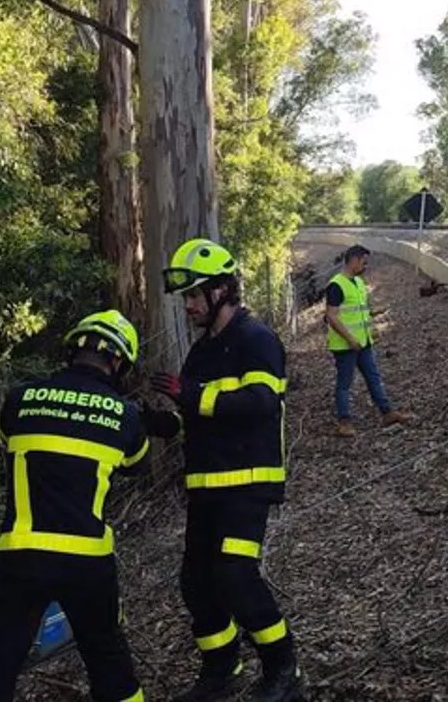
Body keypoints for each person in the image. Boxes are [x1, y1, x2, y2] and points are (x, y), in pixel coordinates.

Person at [0, 310, 150, 702]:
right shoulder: (125, 416)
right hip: (88, 562)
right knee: (108, 659)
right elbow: (137, 465)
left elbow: (14, 436)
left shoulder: (20, 399)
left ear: (72, 352)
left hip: (21, 557)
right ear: (119, 362)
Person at [147, 238, 304, 702]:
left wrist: (192, 398)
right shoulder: (200, 354)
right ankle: (222, 668)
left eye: (195, 295)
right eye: (186, 297)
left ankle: (284, 671)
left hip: (249, 484)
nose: (189, 305)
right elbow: (198, 417)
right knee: (196, 582)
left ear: (222, 291)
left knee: (235, 575)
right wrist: (162, 422)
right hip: (206, 488)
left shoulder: (257, 340)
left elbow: (259, 403)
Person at [323, 244, 413, 437]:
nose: (365, 266)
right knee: (345, 384)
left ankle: (387, 412)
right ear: (353, 260)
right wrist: (349, 338)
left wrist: (373, 318)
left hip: (363, 343)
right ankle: (344, 421)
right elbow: (331, 316)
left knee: (374, 378)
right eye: (363, 262)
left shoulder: (358, 283)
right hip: (346, 345)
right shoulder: (336, 285)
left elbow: (357, 311)